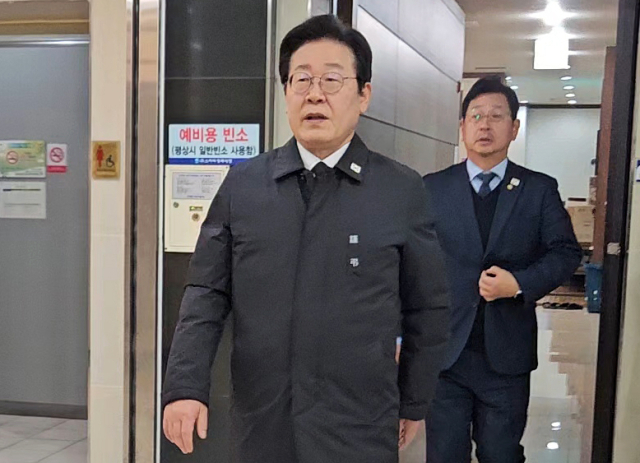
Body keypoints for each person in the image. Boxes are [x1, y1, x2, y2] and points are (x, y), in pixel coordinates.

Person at [162, 14, 450, 463]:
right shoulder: (244, 185)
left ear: (364, 95)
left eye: (332, 80)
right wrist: (184, 386)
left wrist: (414, 401)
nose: (315, 94)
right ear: (286, 94)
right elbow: (206, 293)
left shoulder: (399, 190)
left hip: (359, 425)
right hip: (263, 422)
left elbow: (427, 308)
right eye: (301, 79)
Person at [423, 76, 582, 463]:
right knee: (443, 454)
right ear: (462, 127)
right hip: (446, 352)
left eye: (496, 116)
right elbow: (412, 263)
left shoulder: (538, 189)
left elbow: (565, 253)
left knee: (501, 453)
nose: (485, 125)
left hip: (506, 355)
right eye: (476, 116)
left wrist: (519, 284)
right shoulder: (432, 188)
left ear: (514, 128)